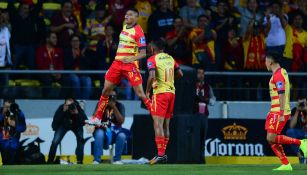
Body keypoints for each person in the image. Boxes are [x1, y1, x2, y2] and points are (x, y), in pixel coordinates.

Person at [87, 8, 152, 125]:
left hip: (129, 65)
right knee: (105, 90)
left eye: (130, 15)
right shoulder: (124, 27)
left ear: (136, 18)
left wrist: (130, 59)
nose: (127, 16)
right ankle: (97, 117)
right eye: (126, 15)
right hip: (117, 64)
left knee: (140, 93)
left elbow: (143, 53)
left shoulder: (139, 32)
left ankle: (155, 111)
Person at [264, 52, 307, 171]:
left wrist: (282, 113)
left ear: (271, 61)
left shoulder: (278, 75)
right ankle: (286, 164)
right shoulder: (282, 72)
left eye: (266, 61)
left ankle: (301, 143)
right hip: (275, 110)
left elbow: (281, 94)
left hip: (279, 111)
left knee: (271, 137)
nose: (265, 63)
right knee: (270, 138)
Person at [146, 40, 183, 164]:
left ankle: (160, 154)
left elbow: (151, 76)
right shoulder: (171, 58)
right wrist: (170, 81)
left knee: (157, 124)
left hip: (160, 94)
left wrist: (147, 92)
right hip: (171, 92)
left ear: (153, 48)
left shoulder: (152, 59)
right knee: (166, 125)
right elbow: (180, 74)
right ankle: (163, 153)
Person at [47, 98, 87, 164]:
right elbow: (54, 123)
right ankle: (50, 160)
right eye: (68, 105)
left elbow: (84, 121)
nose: (70, 107)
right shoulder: (61, 108)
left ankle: (80, 161)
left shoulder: (77, 107)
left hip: (76, 125)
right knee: (55, 141)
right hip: (64, 125)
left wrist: (77, 114)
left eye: (71, 105)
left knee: (81, 141)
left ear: (74, 104)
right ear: (65, 104)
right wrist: (63, 111)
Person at [92, 91, 127, 164]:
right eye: (110, 96)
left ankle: (117, 160)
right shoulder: (100, 104)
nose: (112, 98)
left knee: (122, 135)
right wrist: (102, 105)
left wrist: (114, 107)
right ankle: (96, 160)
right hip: (102, 129)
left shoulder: (120, 105)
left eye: (114, 97)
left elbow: (121, 121)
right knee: (99, 134)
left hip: (115, 132)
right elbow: (94, 119)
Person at [8, 0, 44, 69]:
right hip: (17, 46)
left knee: (32, 66)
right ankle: (11, 79)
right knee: (13, 65)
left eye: (27, 9)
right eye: (24, 8)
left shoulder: (32, 17)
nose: (26, 10)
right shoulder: (15, 17)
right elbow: (10, 6)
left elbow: (39, 5)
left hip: (30, 46)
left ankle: (31, 79)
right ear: (19, 9)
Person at [193, 68, 215, 162]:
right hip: (193, 115)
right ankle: (192, 157)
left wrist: (206, 100)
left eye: (202, 73)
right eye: (199, 73)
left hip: (203, 115)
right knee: (194, 138)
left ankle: (201, 159)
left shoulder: (207, 87)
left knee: (202, 138)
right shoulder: (191, 85)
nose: (201, 75)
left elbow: (213, 101)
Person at [63, 34, 92, 99]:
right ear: (70, 43)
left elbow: (88, 64)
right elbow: (66, 65)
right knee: (75, 80)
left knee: (88, 80)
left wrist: (82, 55)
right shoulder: (67, 52)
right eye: (73, 41)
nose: (75, 43)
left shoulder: (84, 52)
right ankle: (78, 101)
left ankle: (84, 101)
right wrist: (73, 57)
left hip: (82, 74)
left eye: (77, 41)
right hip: (71, 74)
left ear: (79, 42)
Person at [35, 31, 63, 98]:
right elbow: (39, 65)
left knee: (67, 81)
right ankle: (45, 100)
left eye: (56, 38)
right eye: (53, 38)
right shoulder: (40, 50)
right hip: (44, 74)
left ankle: (62, 101)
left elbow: (60, 64)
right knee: (48, 80)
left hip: (56, 74)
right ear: (47, 39)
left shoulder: (59, 50)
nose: (55, 39)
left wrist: (59, 73)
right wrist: (49, 72)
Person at [0, 99, 26, 165]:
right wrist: (3, 114)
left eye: (10, 107)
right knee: (5, 163)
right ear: (3, 106)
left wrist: (15, 125)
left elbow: (23, 128)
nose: (8, 109)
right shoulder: (1, 112)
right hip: (3, 143)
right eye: (6, 107)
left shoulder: (19, 113)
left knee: (14, 163)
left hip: (14, 143)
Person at [286, 98, 307, 163]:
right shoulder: (295, 110)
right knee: (289, 132)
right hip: (300, 131)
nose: (302, 105)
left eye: (304, 103)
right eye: (301, 103)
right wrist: (297, 111)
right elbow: (291, 126)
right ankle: (299, 155)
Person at [0, 9, 12, 98]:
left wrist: (9, 61)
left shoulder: (6, 29)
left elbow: (7, 47)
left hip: (4, 64)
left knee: (5, 89)